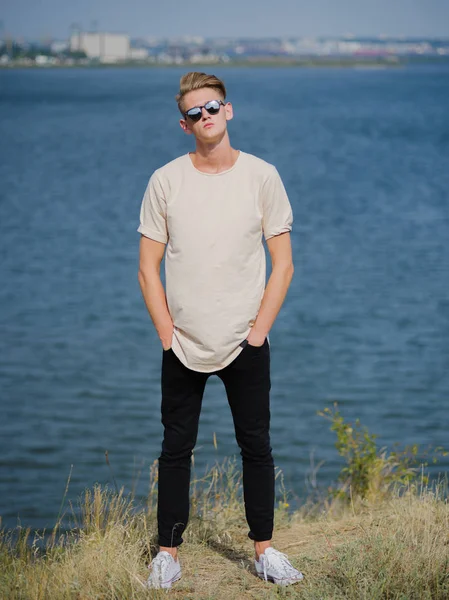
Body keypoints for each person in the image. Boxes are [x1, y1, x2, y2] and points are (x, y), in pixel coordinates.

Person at [137, 71, 303, 589]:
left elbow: (283, 264)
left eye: (212, 107)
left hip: (244, 341)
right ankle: (168, 553)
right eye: (194, 113)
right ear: (183, 125)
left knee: (256, 446)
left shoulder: (261, 176)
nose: (205, 116)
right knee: (175, 449)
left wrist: (257, 333)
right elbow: (148, 266)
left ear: (228, 111)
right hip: (183, 343)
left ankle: (264, 551)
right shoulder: (166, 180)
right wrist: (167, 335)